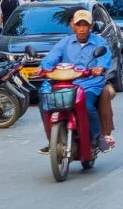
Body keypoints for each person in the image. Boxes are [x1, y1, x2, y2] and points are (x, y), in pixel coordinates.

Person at [37, 9, 112, 155]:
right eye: (79, 25)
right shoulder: (64, 42)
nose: (82, 29)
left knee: (88, 106)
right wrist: (42, 68)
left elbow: (104, 59)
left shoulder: (99, 42)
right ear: (73, 26)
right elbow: (51, 58)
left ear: (90, 26)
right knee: (45, 104)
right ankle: (52, 140)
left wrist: (100, 67)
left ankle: (97, 138)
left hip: (90, 83)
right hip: (66, 85)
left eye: (85, 25)